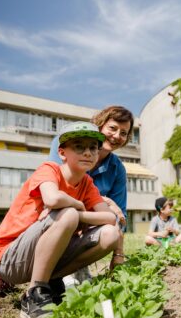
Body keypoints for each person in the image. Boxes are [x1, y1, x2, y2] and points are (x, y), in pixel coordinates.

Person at [0, 122, 124, 318]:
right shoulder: (49, 170)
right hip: (9, 258)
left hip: (43, 256)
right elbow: (52, 199)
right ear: (62, 153)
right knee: (67, 214)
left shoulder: (87, 183)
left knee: (110, 234)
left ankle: (48, 281)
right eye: (79, 146)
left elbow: (110, 218)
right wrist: (76, 206)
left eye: (93, 147)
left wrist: (79, 215)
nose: (88, 152)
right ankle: (35, 292)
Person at [48, 106, 134, 285]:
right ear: (100, 125)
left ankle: (71, 270)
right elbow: (57, 188)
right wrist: (106, 200)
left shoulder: (117, 169)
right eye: (113, 128)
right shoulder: (65, 143)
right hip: (55, 217)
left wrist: (118, 254)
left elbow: (120, 216)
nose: (117, 136)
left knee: (110, 230)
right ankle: (46, 274)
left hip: (86, 223)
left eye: (124, 133)